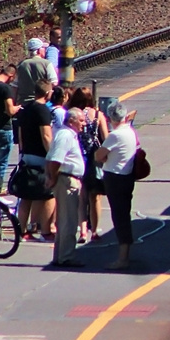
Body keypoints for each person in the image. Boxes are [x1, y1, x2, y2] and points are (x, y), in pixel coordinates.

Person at [95, 102, 138, 270]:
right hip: (127, 176)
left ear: (110, 117)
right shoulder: (130, 132)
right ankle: (125, 253)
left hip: (114, 177)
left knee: (119, 217)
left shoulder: (115, 135)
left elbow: (98, 156)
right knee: (124, 214)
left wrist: (104, 156)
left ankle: (123, 258)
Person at [45, 107, 87, 267]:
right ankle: (66, 256)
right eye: (81, 120)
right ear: (72, 121)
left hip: (66, 179)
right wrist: (53, 178)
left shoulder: (66, 134)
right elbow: (55, 159)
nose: (84, 124)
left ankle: (60, 256)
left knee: (64, 221)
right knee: (69, 221)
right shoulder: (66, 136)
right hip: (67, 181)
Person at [67, 87, 108, 244]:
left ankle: (83, 231)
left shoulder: (72, 114)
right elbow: (106, 138)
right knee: (95, 197)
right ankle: (95, 230)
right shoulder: (97, 115)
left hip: (78, 157)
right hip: (94, 158)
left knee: (81, 197)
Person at [16, 81, 55, 241]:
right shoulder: (43, 110)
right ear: (48, 94)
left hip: (26, 155)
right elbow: (46, 136)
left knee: (27, 195)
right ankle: (46, 231)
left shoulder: (25, 109)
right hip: (40, 156)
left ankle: (22, 230)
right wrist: (52, 155)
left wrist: (22, 152)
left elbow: (20, 134)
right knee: (47, 194)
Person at [15, 37, 58, 104]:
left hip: (24, 103)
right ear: (38, 50)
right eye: (43, 48)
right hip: (42, 102)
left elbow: (15, 86)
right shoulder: (46, 63)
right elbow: (54, 83)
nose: (45, 50)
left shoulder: (21, 65)